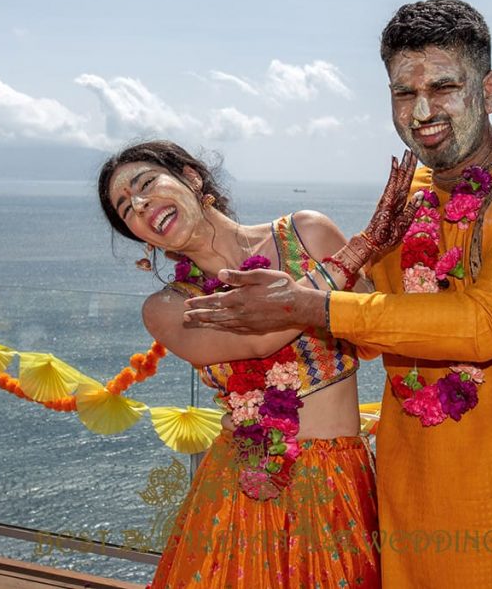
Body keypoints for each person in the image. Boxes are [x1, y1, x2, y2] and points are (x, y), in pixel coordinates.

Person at [184, 0, 492, 587]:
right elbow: (374, 323)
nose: (422, 110)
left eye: (444, 86)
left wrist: (305, 304)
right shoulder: (411, 190)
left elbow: (484, 323)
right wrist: (268, 284)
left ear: (490, 88)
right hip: (413, 501)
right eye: (403, 92)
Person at [97, 140, 418, 588]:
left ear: (191, 177)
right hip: (243, 489)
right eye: (126, 209)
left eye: (146, 183)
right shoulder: (169, 308)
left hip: (337, 481)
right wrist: (357, 251)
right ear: (141, 237)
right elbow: (259, 339)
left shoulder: (309, 234)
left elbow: (374, 336)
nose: (140, 203)